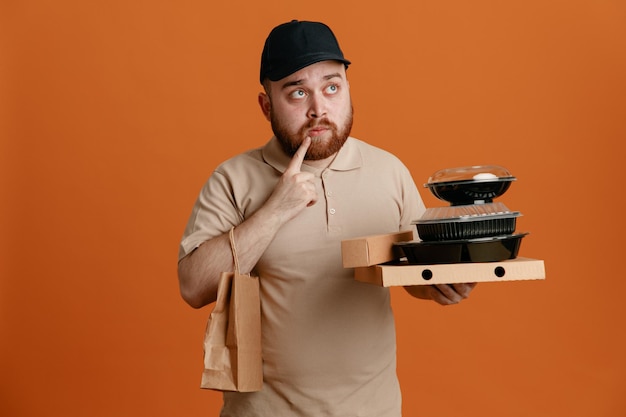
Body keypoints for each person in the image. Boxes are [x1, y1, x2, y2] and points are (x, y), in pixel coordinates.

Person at [178, 20, 476, 417]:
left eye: (331, 87)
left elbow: (415, 269)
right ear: (267, 106)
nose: (319, 109)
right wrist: (275, 209)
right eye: (298, 92)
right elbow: (194, 286)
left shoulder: (388, 171)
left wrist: (442, 285)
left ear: (348, 91)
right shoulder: (233, 178)